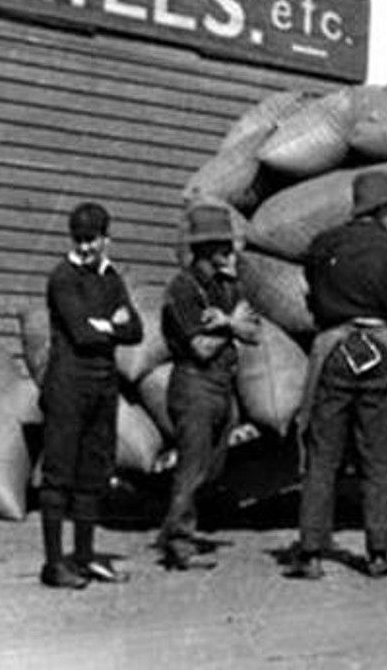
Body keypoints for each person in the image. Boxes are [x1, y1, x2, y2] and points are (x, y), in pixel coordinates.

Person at [286, 171, 387, 581]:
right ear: (380, 211)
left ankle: (310, 552)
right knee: (376, 457)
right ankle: (378, 553)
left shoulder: (322, 246)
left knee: (322, 456)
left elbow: (310, 293)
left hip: (334, 352)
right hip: (378, 351)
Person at [39, 202, 143, 588]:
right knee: (59, 472)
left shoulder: (111, 277)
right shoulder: (63, 278)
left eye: (92, 239)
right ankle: (53, 564)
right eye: (79, 240)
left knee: (93, 472)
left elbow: (137, 331)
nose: (85, 247)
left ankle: (83, 556)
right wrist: (109, 325)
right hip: (68, 384)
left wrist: (106, 325)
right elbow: (81, 334)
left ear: (105, 239)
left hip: (103, 384)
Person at [158, 203, 260, 570]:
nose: (229, 254)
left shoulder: (228, 286)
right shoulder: (181, 290)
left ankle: (177, 529)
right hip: (193, 386)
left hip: (222, 387)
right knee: (192, 467)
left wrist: (227, 324)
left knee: (212, 468)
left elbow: (254, 332)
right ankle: (178, 543)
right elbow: (199, 348)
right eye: (222, 247)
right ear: (204, 250)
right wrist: (231, 326)